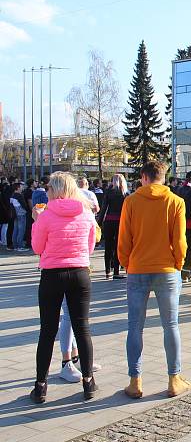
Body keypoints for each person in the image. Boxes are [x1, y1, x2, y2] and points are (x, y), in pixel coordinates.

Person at [118, 160, 191, 399]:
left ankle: (135, 380)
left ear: (143, 177)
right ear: (163, 176)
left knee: (134, 326)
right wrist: (178, 264)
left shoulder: (130, 201)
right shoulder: (176, 202)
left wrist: (127, 263)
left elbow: (124, 239)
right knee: (170, 325)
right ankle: (173, 378)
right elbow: (180, 240)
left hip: (138, 268)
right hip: (167, 269)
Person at [30, 172, 98, 403]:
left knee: (47, 330)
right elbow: (90, 247)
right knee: (82, 328)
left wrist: (36, 220)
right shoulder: (86, 213)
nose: (46, 191)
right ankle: (88, 381)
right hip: (79, 272)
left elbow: (38, 247)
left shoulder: (46, 215)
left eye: (48, 187)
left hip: (52, 274)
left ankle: (41, 386)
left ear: (56, 189)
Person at [100, 174, 128, 279]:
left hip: (108, 221)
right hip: (120, 222)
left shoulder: (108, 192)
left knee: (108, 246)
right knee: (117, 246)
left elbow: (103, 208)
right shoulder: (125, 194)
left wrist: (99, 222)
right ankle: (116, 272)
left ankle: (108, 271)